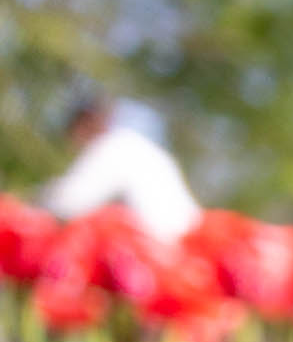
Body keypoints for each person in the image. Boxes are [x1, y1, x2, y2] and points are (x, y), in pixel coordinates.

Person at [40, 97, 202, 244]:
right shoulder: (138, 146)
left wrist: (32, 207)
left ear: (83, 125)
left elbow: (68, 202)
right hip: (190, 247)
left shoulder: (112, 148)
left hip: (167, 251)